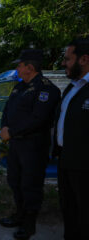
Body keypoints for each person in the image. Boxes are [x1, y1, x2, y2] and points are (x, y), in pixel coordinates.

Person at [0, 49, 61, 240]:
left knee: (30, 185)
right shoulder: (19, 87)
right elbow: (7, 109)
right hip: (16, 145)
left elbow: (38, 119)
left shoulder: (47, 89)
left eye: (20, 65)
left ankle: (29, 224)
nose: (17, 68)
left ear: (30, 67)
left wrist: (12, 131)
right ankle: (19, 215)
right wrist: (4, 128)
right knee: (15, 181)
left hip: (34, 147)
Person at [54, 37, 89, 240]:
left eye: (67, 59)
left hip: (85, 167)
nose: (63, 63)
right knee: (69, 211)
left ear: (84, 59)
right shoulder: (73, 87)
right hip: (66, 161)